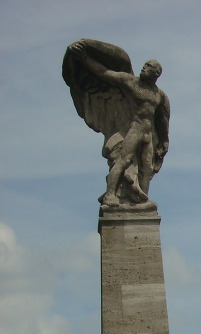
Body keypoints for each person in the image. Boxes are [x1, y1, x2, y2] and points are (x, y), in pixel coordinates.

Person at [63, 40, 170, 210]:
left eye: (149, 66)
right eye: (145, 65)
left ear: (156, 73)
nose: (144, 67)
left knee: (147, 167)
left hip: (148, 133)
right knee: (123, 161)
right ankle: (111, 194)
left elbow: (162, 119)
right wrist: (84, 58)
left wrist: (164, 140)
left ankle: (141, 199)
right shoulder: (130, 82)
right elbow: (104, 73)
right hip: (134, 128)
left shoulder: (160, 95)